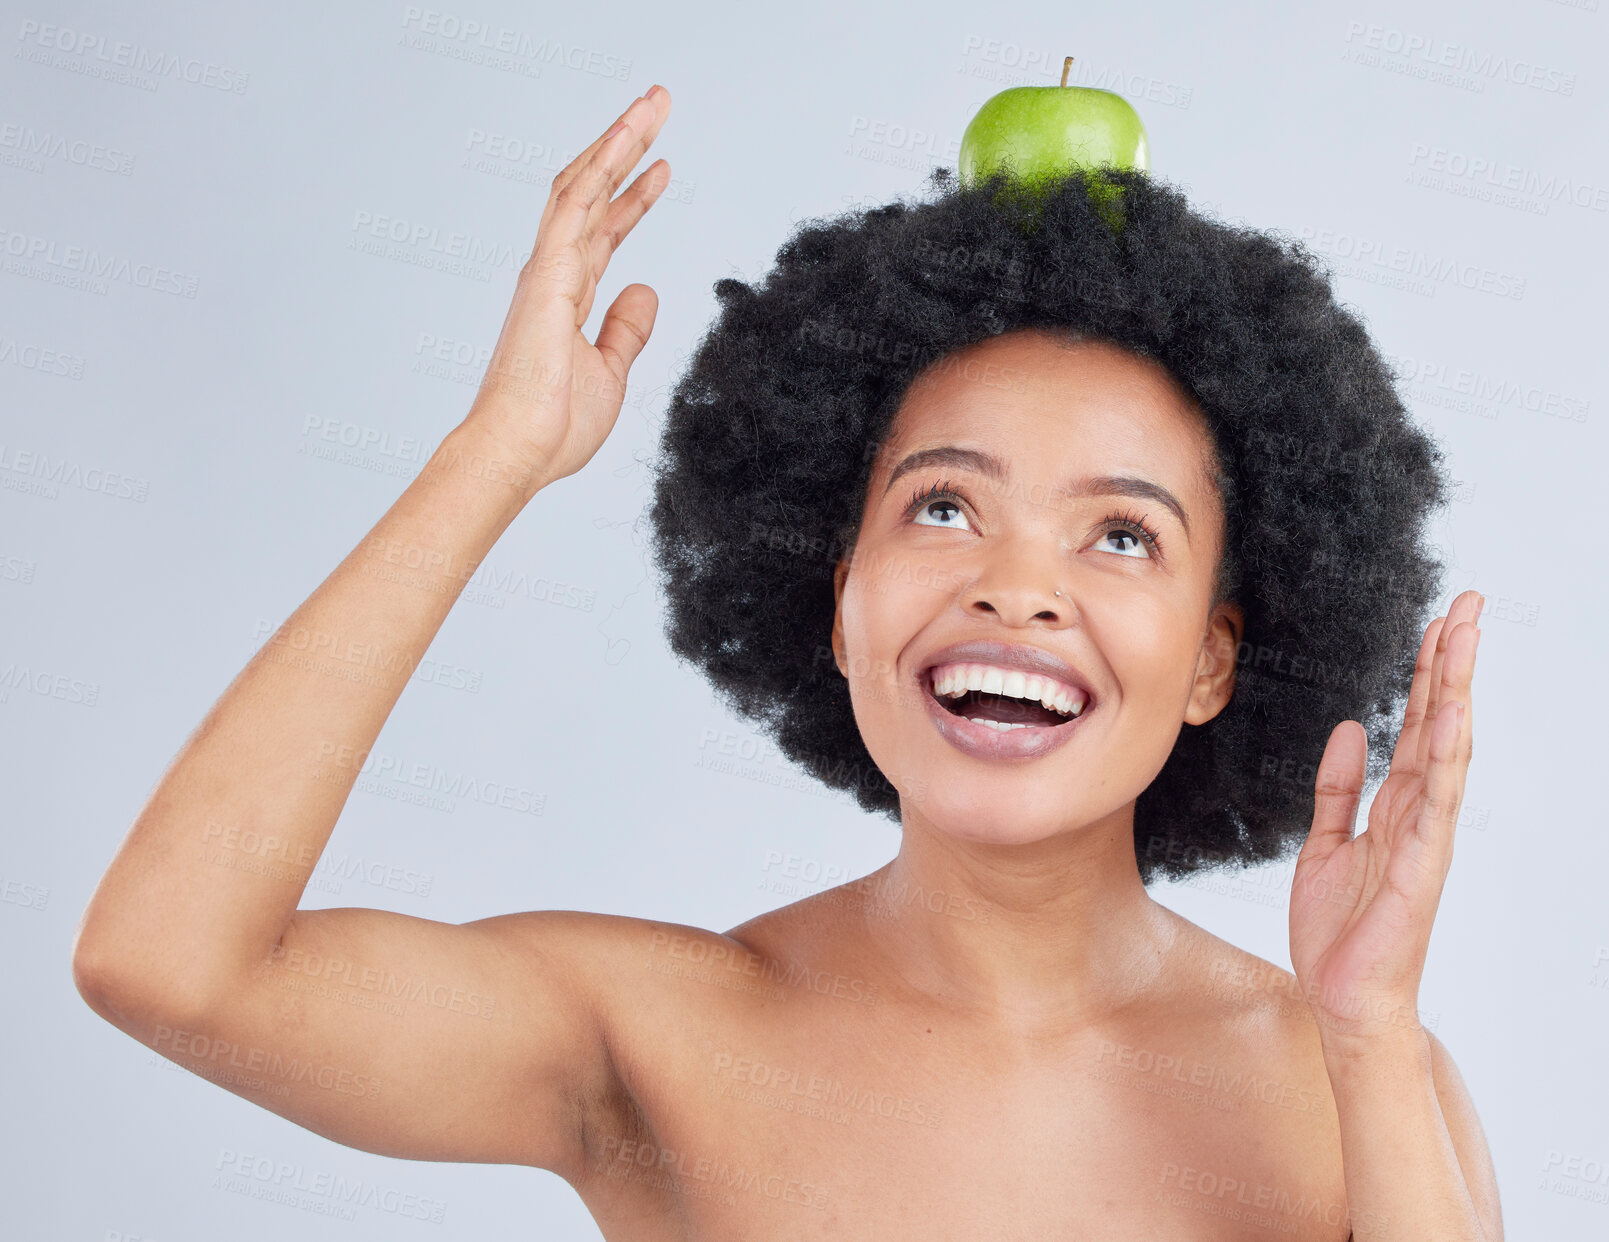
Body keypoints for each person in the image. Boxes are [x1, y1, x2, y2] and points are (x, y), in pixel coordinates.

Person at [71, 85, 1501, 1239]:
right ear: (836, 599)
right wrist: (492, 457)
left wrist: (1369, 1039)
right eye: (943, 506)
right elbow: (172, 967)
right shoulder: (658, 1038)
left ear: (1212, 657)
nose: (1015, 587)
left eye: (1120, 535)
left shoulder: (1345, 1076)